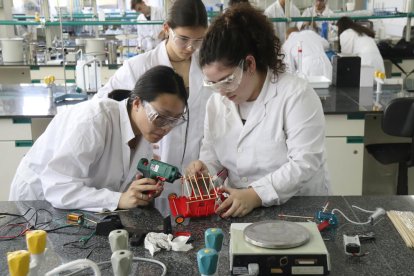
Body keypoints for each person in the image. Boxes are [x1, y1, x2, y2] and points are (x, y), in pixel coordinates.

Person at [186, 4, 331, 218]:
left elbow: (304, 162)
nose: (221, 92)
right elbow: (213, 154)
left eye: (227, 80)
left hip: (298, 208)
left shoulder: (296, 95)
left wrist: (255, 194)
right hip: (239, 208)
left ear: (250, 64)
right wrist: (205, 170)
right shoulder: (216, 104)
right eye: (213, 84)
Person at [9, 66, 188, 212]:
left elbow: (114, 179)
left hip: (76, 209)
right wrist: (120, 199)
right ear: (137, 103)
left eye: (174, 121)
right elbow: (58, 187)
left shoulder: (144, 133)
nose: (166, 128)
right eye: (160, 117)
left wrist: (139, 191)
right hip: (37, 200)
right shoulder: (94, 120)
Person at [95, 0, 210, 216]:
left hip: (193, 179)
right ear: (167, 28)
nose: (190, 48)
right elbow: (104, 109)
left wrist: (206, 162)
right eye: (183, 39)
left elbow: (212, 123)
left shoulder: (207, 70)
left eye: (198, 41)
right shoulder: (138, 67)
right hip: (147, 179)